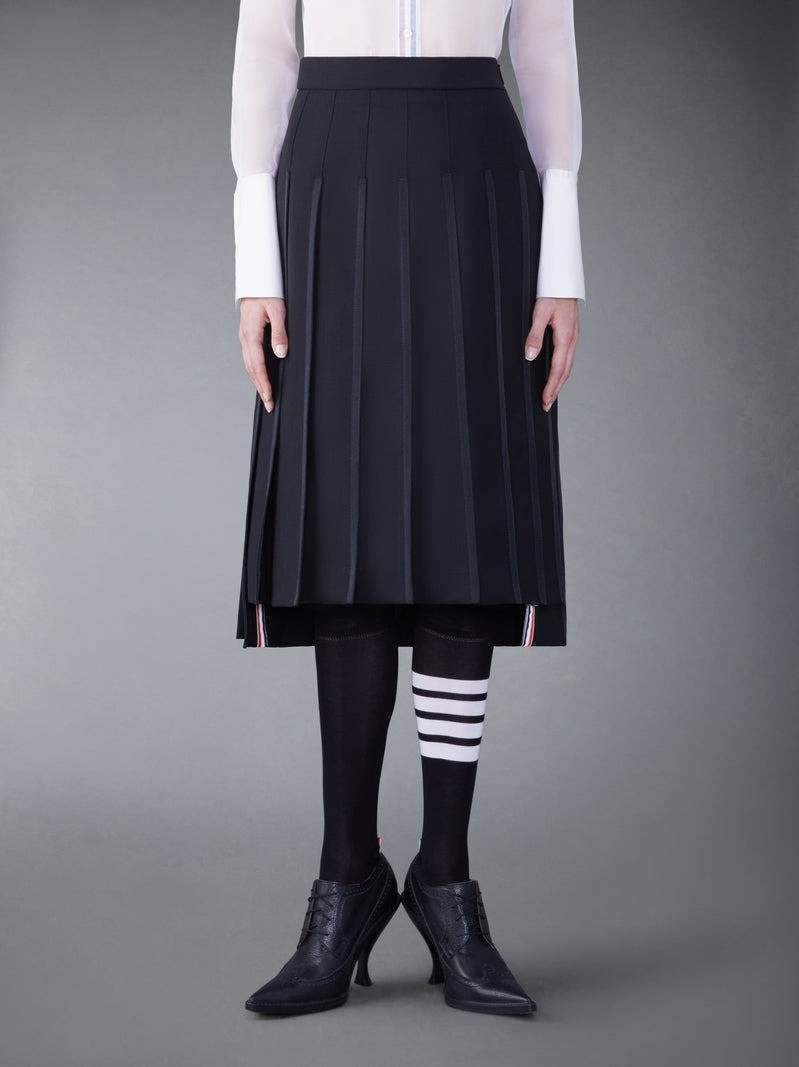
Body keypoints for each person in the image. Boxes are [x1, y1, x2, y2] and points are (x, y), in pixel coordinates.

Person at [231, 0, 585, 1017]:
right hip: (326, 182)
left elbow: (545, 48)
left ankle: (444, 877)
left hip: (478, 184)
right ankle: (347, 875)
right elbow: (264, 50)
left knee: (463, 522)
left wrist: (561, 261)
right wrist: (255, 261)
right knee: (343, 523)